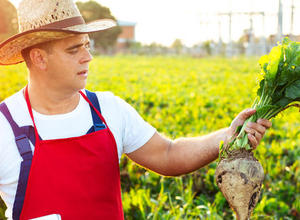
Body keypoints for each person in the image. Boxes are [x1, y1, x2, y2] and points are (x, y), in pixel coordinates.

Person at [0, 0, 272, 219]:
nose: (88, 57)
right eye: (74, 50)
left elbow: (168, 154)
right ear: (38, 58)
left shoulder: (108, 110)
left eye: (86, 45)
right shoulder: (5, 126)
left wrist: (228, 135)